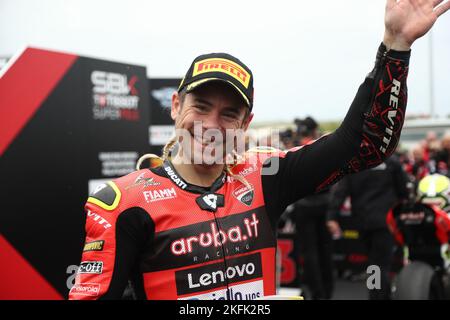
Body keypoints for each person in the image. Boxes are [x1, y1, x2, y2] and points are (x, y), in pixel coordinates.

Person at [69, 1, 450, 300]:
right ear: (174, 106)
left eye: (229, 113)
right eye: (200, 107)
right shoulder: (124, 203)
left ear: (245, 124)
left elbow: (364, 145)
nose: (211, 124)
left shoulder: (266, 175)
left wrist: (395, 48)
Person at [326, 155, 410, 299]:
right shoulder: (390, 161)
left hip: (365, 221)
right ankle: (377, 295)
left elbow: (341, 191)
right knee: (379, 264)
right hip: (383, 222)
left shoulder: (355, 163)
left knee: (375, 264)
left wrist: (332, 217)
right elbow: (403, 191)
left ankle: (378, 294)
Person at [290, 117, 335, 300]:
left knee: (311, 253)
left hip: (305, 206)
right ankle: (325, 293)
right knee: (324, 252)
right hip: (323, 204)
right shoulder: (324, 147)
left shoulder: (295, 151)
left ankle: (318, 294)